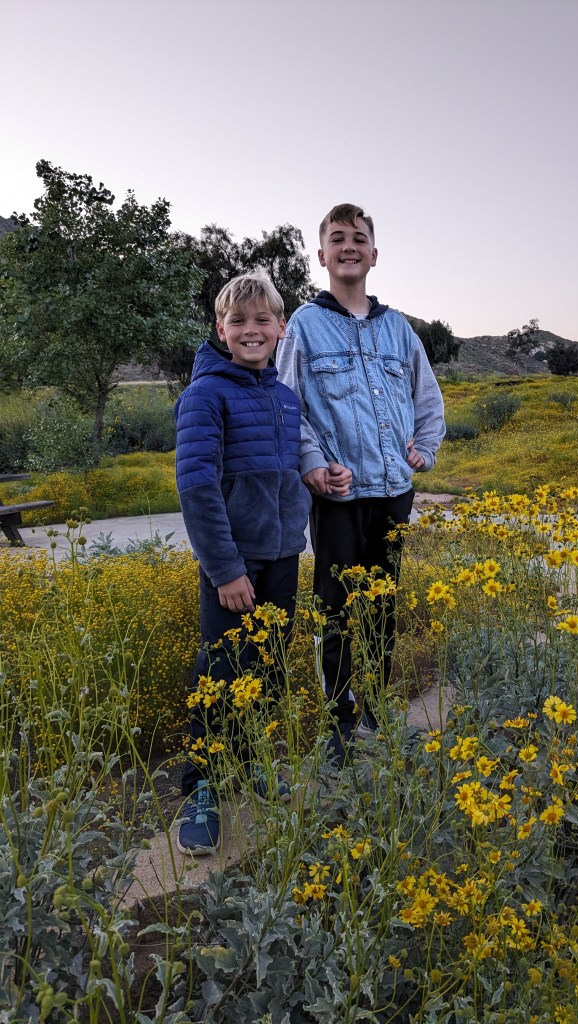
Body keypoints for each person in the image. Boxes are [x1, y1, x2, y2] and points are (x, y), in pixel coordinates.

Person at [275, 203, 445, 760]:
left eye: (359, 238)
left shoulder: (398, 328)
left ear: (374, 255)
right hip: (339, 495)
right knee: (337, 606)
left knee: (382, 603)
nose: (349, 246)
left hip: (395, 489)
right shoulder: (303, 324)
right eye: (338, 238)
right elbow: (287, 403)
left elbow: (427, 397)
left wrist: (424, 447)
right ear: (321, 254)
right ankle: (340, 722)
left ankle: (375, 701)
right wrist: (312, 465)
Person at [174, 272, 331, 855]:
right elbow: (198, 489)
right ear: (221, 329)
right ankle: (203, 787)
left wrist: (321, 478)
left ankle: (252, 763)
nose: (251, 330)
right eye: (238, 321)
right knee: (219, 673)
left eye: (263, 320)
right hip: (233, 565)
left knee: (266, 669)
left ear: (281, 329)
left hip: (283, 556)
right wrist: (226, 569)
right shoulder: (205, 395)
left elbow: (286, 474)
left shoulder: (285, 399)